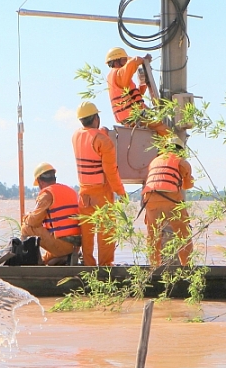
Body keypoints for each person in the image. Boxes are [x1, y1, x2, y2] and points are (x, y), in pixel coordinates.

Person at [72, 100, 126, 266]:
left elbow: (88, 135)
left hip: (84, 194)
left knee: (87, 234)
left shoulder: (75, 136)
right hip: (101, 193)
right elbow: (111, 172)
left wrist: (100, 132)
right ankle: (105, 266)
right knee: (106, 232)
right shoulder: (103, 141)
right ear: (96, 118)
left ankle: (89, 266)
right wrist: (121, 192)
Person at [142, 135, 195, 265]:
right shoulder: (181, 162)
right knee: (183, 234)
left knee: (154, 236)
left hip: (150, 200)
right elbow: (187, 185)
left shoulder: (154, 161)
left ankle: (154, 267)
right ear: (180, 150)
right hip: (171, 199)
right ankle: (186, 266)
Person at [20, 162, 82, 265]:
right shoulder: (70, 190)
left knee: (26, 228)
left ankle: (33, 264)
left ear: (39, 182)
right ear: (54, 178)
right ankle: (62, 258)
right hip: (75, 246)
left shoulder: (47, 194)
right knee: (47, 261)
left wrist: (26, 217)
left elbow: (34, 222)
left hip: (62, 244)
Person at [105, 47, 168, 136]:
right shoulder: (118, 74)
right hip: (136, 116)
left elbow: (133, 98)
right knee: (165, 132)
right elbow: (133, 62)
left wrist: (142, 84)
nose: (126, 62)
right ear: (116, 62)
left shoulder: (115, 78)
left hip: (130, 118)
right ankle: (175, 148)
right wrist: (144, 60)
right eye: (124, 60)